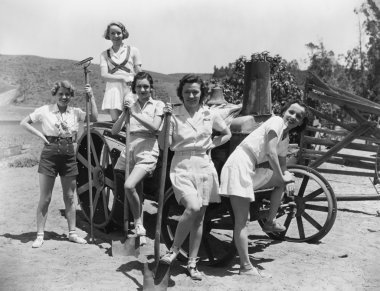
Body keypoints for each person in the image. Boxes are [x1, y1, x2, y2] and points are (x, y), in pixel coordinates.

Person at [220, 101, 309, 276]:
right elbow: (270, 153)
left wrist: (287, 178)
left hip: (250, 168)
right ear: (283, 111)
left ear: (300, 123)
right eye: (291, 112)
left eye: (298, 116)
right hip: (239, 165)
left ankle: (269, 222)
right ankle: (245, 267)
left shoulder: (285, 137)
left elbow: (282, 165)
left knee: (280, 182)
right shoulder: (276, 121)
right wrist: (284, 176)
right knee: (242, 221)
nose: (293, 117)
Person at [159, 74, 232, 280]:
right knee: (193, 207)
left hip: (204, 166)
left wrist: (212, 145)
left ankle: (192, 264)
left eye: (195, 92)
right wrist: (165, 120)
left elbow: (226, 134)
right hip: (181, 165)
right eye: (187, 92)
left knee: (199, 219)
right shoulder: (173, 114)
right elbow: (164, 145)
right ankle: (173, 250)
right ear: (181, 94)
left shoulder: (210, 114)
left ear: (202, 94)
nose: (191, 95)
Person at [20, 80, 98, 248]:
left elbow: (95, 118)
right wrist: (41, 136)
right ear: (55, 94)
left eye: (67, 94)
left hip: (69, 155)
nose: (64, 97)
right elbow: (24, 122)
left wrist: (91, 97)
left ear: (71, 96)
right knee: (46, 197)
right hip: (49, 155)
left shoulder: (75, 112)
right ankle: (40, 235)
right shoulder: (45, 110)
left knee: (69, 196)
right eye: (60, 93)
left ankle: (72, 233)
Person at [111, 72, 165, 244]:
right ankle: (133, 226)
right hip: (130, 147)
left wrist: (134, 114)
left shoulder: (158, 105)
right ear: (134, 88)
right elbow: (114, 131)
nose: (142, 90)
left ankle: (138, 224)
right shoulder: (130, 105)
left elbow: (155, 128)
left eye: (146, 86)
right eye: (139, 86)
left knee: (129, 185)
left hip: (147, 148)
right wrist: (125, 112)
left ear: (151, 88)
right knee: (123, 181)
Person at [100, 21, 142, 122]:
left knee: (133, 118)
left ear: (123, 33)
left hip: (130, 87)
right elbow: (104, 75)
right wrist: (122, 78)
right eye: (112, 33)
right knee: (116, 120)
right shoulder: (104, 54)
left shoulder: (133, 50)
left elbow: (139, 72)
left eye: (118, 33)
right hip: (113, 88)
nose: (116, 36)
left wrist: (140, 84)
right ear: (108, 35)